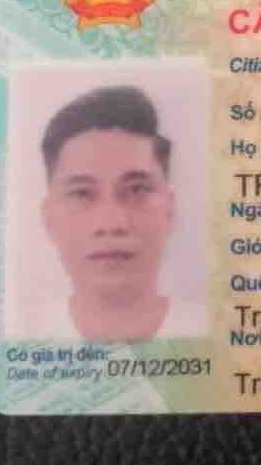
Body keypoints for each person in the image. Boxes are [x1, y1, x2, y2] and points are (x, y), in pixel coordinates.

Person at [40, 85, 203, 342]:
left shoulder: (213, 331)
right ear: (49, 218)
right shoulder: (21, 332)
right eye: (82, 193)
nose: (112, 223)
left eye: (137, 189)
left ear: (169, 209)